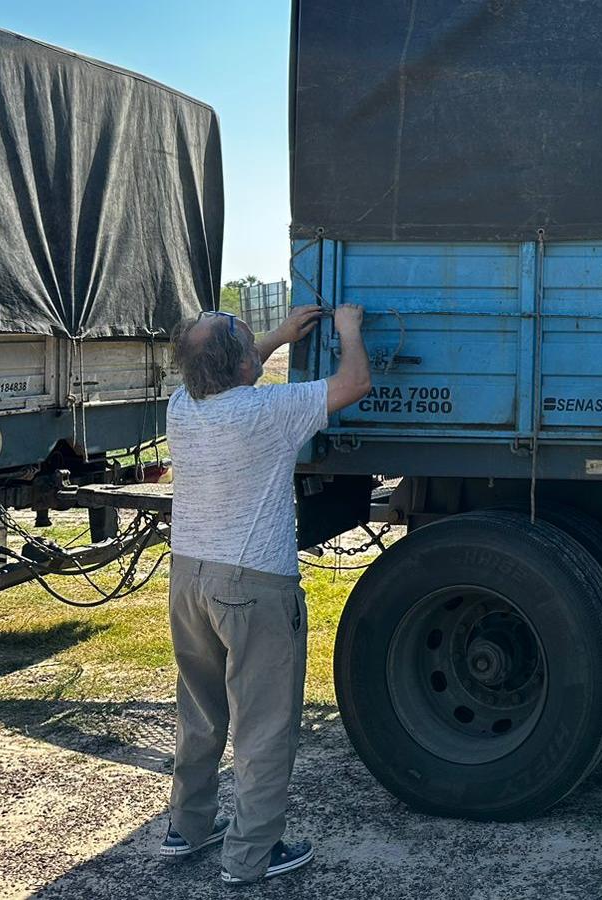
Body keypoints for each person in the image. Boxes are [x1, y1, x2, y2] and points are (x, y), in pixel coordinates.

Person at [158, 303, 371, 885]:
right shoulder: (268, 413)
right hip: (252, 586)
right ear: (247, 364)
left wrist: (274, 337)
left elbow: (229, 368)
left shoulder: (182, 408)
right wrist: (349, 329)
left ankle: (187, 827)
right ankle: (252, 854)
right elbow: (355, 383)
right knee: (264, 722)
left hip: (189, 579)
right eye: (255, 346)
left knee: (200, 709)